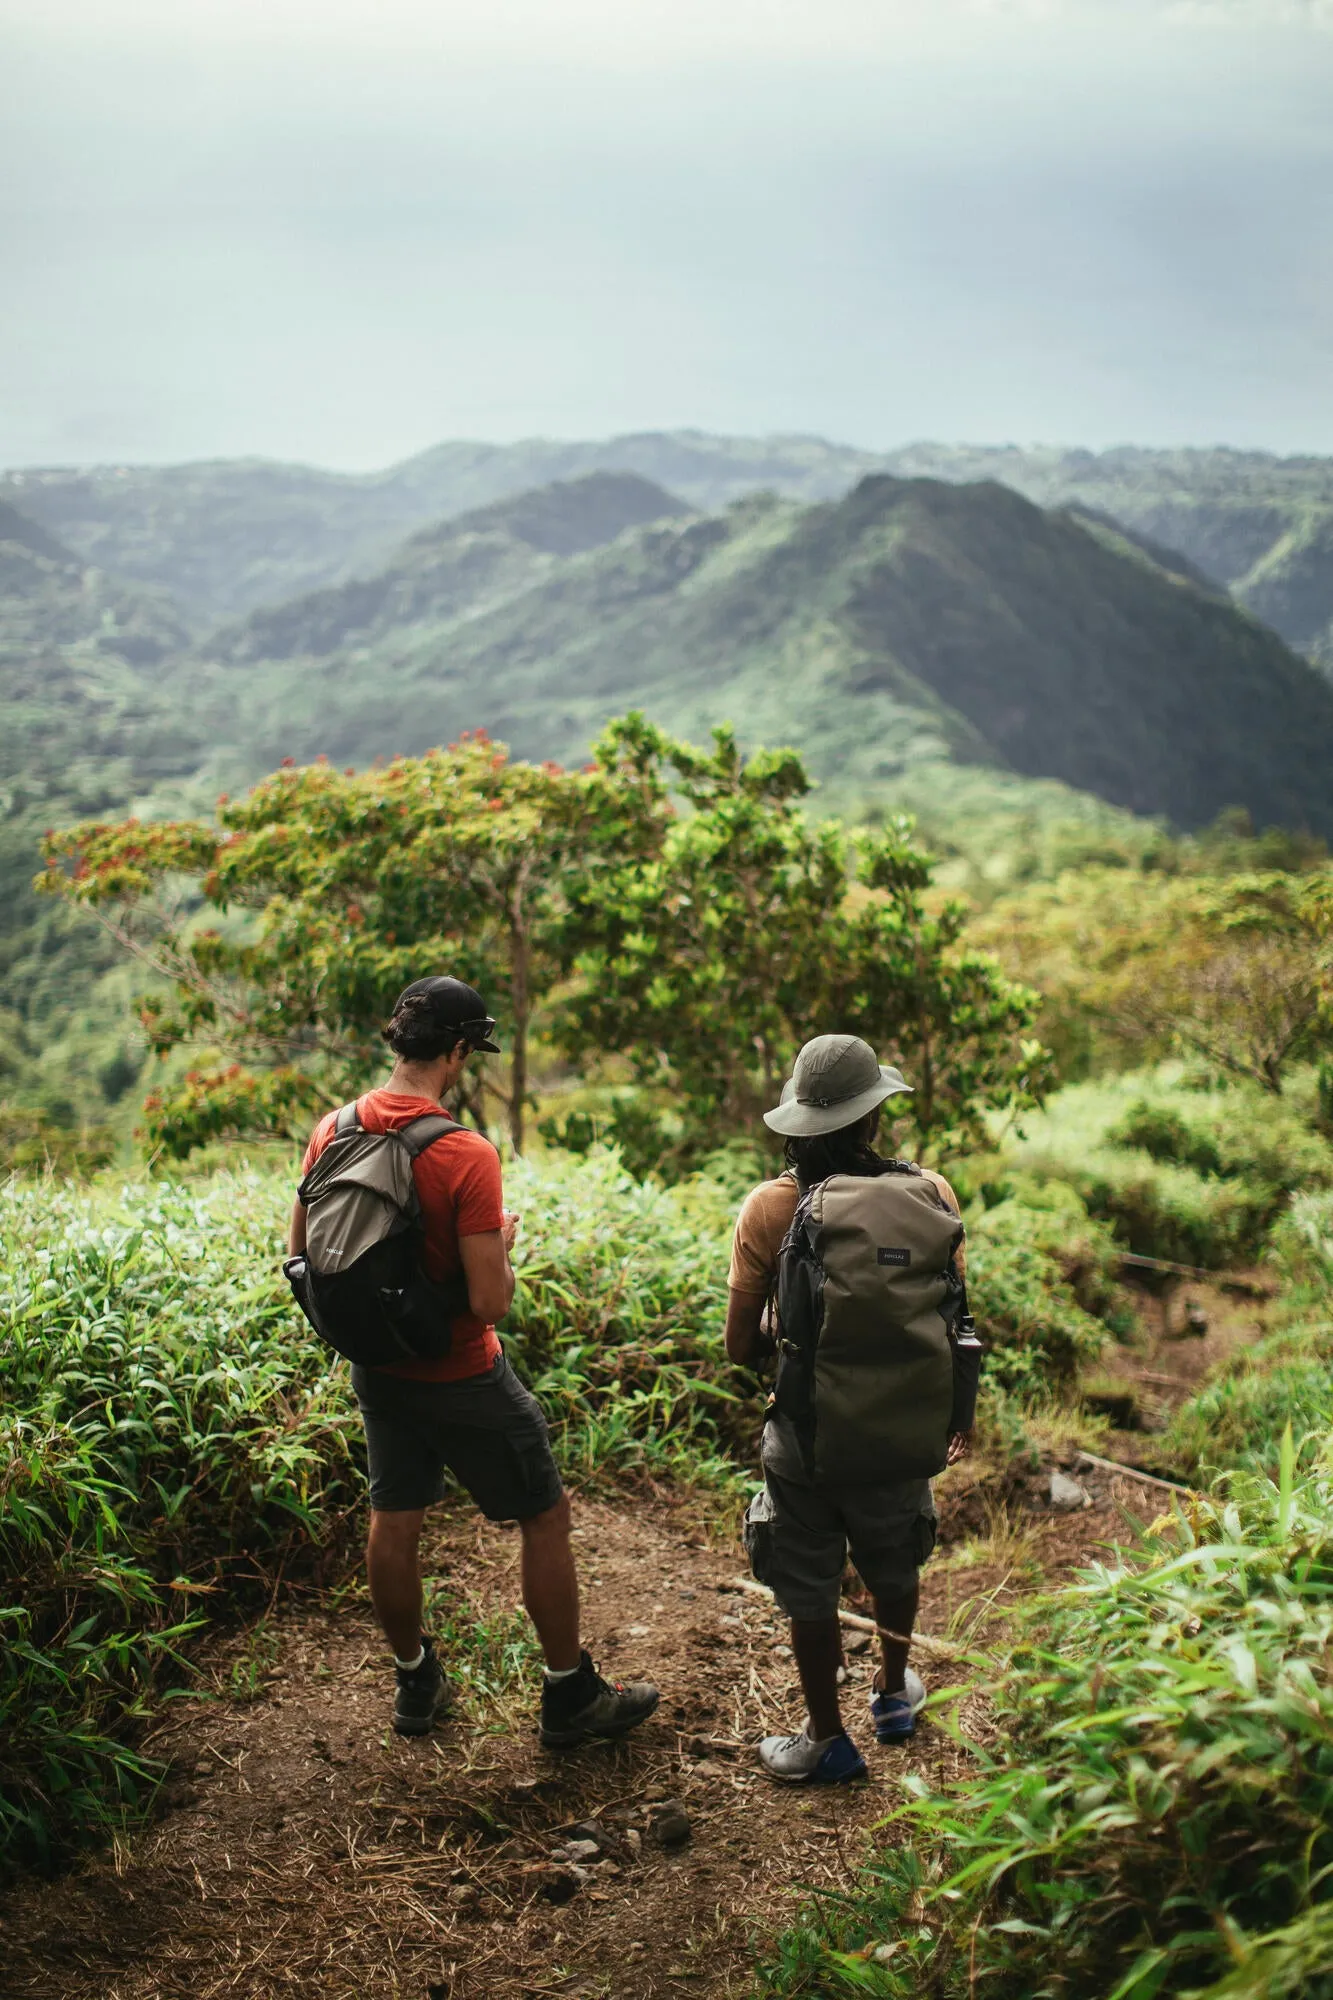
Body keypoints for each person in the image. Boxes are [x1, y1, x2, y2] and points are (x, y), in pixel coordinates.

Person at [290, 975, 659, 1746]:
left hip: (377, 1368)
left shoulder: (333, 1129)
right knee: (544, 1514)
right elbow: (490, 1303)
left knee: (394, 1518)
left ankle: (415, 1680)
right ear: (457, 1051)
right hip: (461, 1372)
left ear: (398, 1040)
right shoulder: (464, 1152)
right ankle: (569, 1697)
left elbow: (301, 1254)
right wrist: (503, 1247)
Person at [725, 1033, 971, 1785]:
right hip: (901, 1427)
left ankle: (826, 1738)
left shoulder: (771, 1206)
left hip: (805, 1436)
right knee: (894, 1557)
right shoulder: (931, 1195)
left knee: (808, 1578)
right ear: (874, 1119)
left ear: (797, 1120)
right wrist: (953, 1416)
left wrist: (787, 1335)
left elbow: (739, 1346)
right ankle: (893, 1695)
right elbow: (954, 1321)